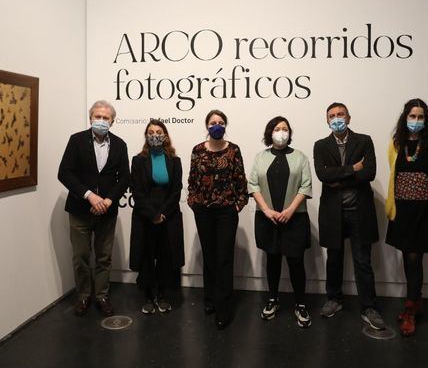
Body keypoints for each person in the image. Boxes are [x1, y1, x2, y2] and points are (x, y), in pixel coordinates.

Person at [313, 102, 386, 330]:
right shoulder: (321, 145)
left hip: (360, 212)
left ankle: (368, 307)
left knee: (362, 261)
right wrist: (353, 169)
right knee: (333, 259)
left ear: (349, 117)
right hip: (333, 212)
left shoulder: (364, 141)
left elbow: (370, 172)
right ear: (327, 121)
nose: (337, 118)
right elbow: (323, 175)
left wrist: (340, 178)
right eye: (332, 116)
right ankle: (334, 299)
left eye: (340, 114)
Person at [57, 100, 130, 317]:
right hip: (80, 209)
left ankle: (102, 296)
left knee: (103, 257)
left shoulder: (120, 144)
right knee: (80, 255)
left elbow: (124, 177)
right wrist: (90, 196)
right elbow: (65, 173)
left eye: (105, 118)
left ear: (112, 121)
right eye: (97, 116)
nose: (101, 120)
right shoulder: (76, 140)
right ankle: (83, 295)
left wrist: (108, 200)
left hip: (107, 211)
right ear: (90, 118)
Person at [385, 98, 428, 336]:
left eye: (420, 116)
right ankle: (416, 301)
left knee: (415, 258)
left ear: (426, 118)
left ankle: (411, 308)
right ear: (405, 118)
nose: (416, 121)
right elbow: (394, 174)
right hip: (402, 211)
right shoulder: (396, 144)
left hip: (423, 212)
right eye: (412, 116)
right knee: (407, 256)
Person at [248, 116, 313, 328]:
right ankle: (273, 299)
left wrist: (290, 210)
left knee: (296, 261)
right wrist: (266, 210)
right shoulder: (260, 157)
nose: (281, 132)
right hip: (268, 218)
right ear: (270, 132)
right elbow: (253, 185)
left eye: (285, 128)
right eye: (277, 128)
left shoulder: (300, 157)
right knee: (273, 259)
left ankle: (301, 303)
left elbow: (305, 186)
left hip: (295, 218)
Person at [187, 109, 248, 329]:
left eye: (221, 122)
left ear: (226, 125)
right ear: (207, 126)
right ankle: (210, 299)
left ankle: (223, 307)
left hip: (226, 212)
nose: (217, 125)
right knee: (209, 255)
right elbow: (192, 180)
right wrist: (193, 202)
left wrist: (238, 204)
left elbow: (241, 180)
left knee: (224, 258)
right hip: (202, 211)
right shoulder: (197, 150)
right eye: (213, 122)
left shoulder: (233, 150)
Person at [129, 119, 184, 315]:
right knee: (146, 256)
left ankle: (162, 295)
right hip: (145, 215)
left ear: (165, 135)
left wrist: (163, 213)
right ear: (146, 136)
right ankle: (147, 296)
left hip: (168, 214)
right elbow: (136, 190)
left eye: (158, 131)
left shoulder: (175, 161)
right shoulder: (137, 160)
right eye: (150, 132)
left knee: (165, 257)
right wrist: (152, 214)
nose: (154, 135)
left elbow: (176, 190)